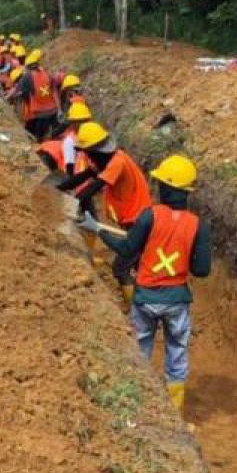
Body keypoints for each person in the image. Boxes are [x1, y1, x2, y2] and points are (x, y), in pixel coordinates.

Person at [77, 155, 210, 412]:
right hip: (177, 302)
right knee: (177, 355)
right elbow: (202, 270)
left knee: (140, 351)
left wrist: (97, 229)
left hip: (146, 299)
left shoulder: (150, 216)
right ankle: (174, 413)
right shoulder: (198, 226)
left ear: (166, 187)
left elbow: (127, 249)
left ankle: (141, 409)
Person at [58, 122, 152, 229]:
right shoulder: (104, 160)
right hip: (130, 212)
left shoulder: (117, 162)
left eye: (89, 154)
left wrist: (70, 205)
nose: (89, 158)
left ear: (97, 152)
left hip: (137, 215)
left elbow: (94, 187)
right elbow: (84, 175)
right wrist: (60, 188)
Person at [8, 48, 60, 140]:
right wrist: (59, 109)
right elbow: (55, 91)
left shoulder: (27, 77)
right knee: (53, 135)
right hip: (53, 112)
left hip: (40, 114)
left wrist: (6, 98)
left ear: (28, 67)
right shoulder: (47, 74)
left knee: (37, 138)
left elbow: (16, 90)